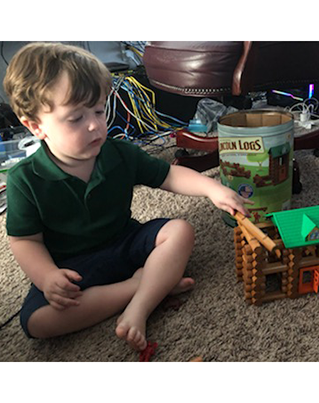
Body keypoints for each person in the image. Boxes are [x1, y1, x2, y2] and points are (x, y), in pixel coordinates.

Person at [3, 42, 253, 352]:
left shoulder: (119, 154)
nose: (95, 124)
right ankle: (144, 285)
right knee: (37, 323)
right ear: (35, 126)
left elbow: (169, 175)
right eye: (76, 118)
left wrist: (212, 188)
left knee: (180, 231)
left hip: (125, 242)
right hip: (72, 268)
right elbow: (26, 241)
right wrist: (47, 277)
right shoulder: (23, 179)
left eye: (98, 110)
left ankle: (141, 305)